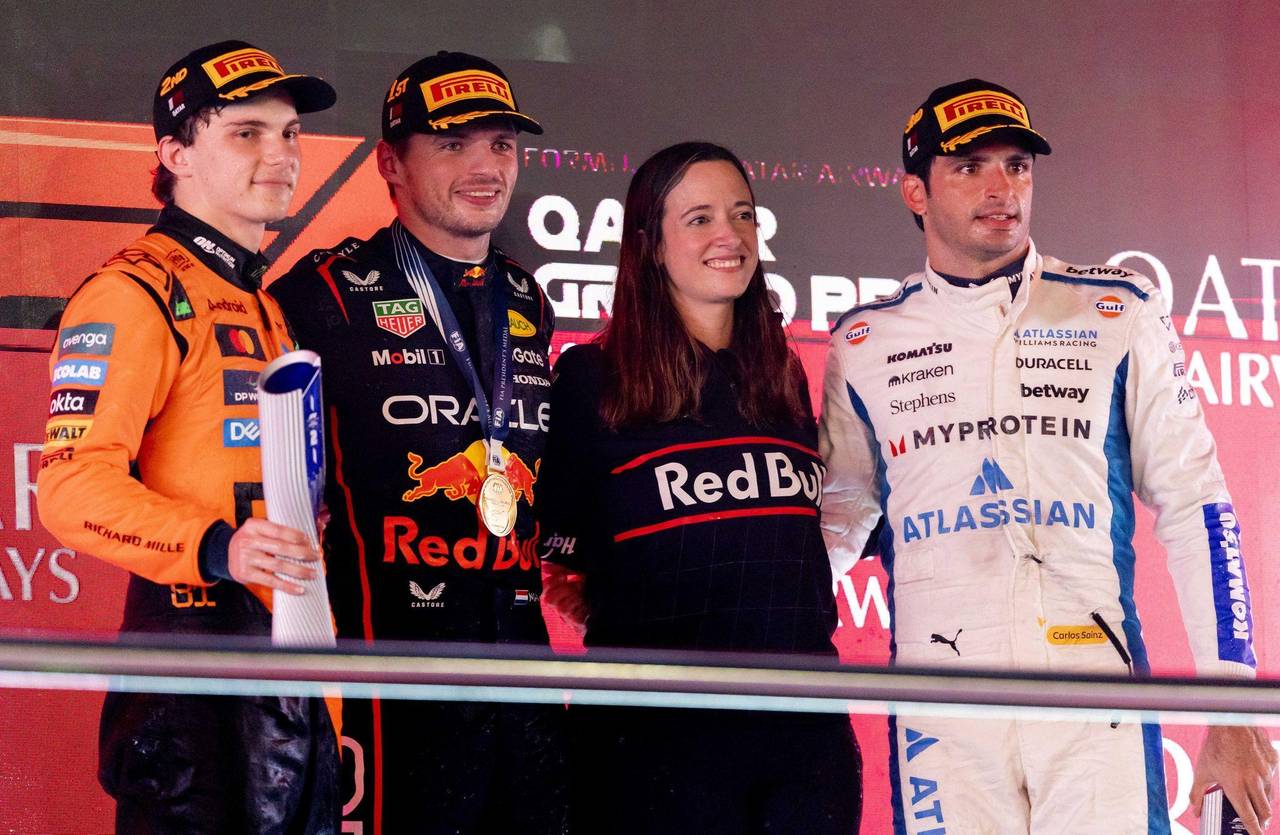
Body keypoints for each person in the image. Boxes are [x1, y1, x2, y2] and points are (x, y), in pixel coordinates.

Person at [820, 77, 1277, 834]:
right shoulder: (865, 341)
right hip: (941, 705)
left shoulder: (1116, 309)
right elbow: (836, 526)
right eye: (969, 167)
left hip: (1091, 687)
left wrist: (1231, 708)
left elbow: (1198, 503)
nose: (1001, 188)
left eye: (1018, 166)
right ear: (915, 191)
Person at [36, 40, 340, 833]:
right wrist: (216, 546)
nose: (280, 154)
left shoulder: (264, 304)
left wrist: (328, 704)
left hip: (288, 672)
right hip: (190, 676)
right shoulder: (132, 290)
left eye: (290, 133)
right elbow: (69, 485)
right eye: (246, 132)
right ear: (176, 154)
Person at [267, 52, 565, 834]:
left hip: (523, 681)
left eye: (501, 144)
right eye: (453, 144)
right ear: (389, 163)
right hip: (389, 685)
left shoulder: (527, 296)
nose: (485, 166)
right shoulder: (321, 293)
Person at [538, 141, 862, 835]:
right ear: (649, 245)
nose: (730, 235)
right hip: (655, 740)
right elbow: (559, 557)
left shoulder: (780, 375)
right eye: (700, 218)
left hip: (804, 733)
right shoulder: (592, 379)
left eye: (743, 214)